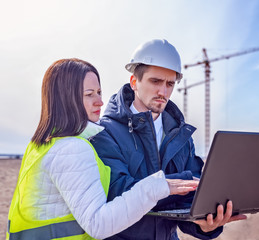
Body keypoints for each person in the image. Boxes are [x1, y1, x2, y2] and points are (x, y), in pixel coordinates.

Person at [6, 58, 199, 240]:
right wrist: (158, 186)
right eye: (89, 94)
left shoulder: (44, 144)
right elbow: (98, 223)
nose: (99, 101)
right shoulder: (72, 148)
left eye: (99, 92)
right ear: (64, 99)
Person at [91, 39, 246, 240]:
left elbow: (189, 203)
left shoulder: (180, 136)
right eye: (155, 81)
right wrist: (170, 185)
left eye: (170, 84)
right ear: (134, 82)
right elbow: (117, 191)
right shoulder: (105, 132)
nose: (163, 92)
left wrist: (206, 226)